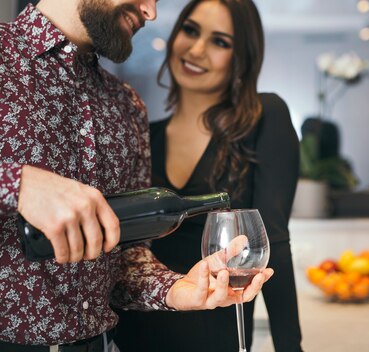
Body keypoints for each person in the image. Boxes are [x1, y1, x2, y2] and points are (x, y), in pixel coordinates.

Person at [0, 1, 273, 351]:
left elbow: (124, 254)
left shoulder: (126, 106)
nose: (150, 11)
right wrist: (19, 186)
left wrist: (175, 289)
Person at [114, 0, 303, 351]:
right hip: (134, 335)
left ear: (241, 58)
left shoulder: (265, 118)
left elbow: (274, 245)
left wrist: (290, 348)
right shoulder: (140, 135)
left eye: (220, 42)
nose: (196, 49)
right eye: (190, 30)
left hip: (216, 337)